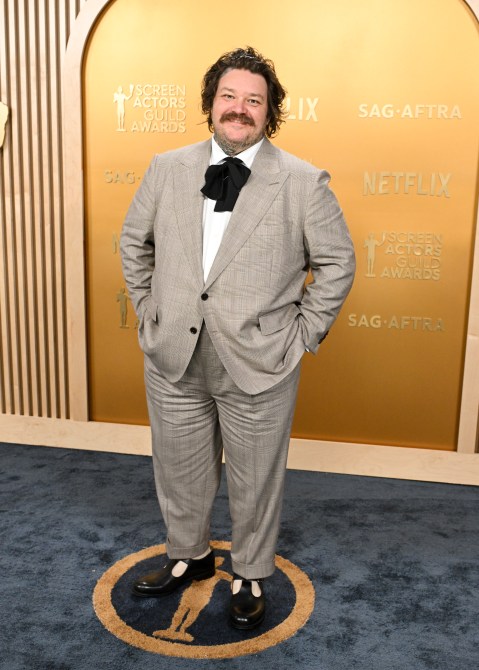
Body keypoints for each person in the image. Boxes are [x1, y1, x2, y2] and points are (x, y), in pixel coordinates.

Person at [120, 46, 355, 630]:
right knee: (179, 467)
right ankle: (189, 555)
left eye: (254, 100)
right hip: (174, 353)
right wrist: (149, 310)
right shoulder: (166, 167)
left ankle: (249, 572)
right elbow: (134, 244)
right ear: (211, 103)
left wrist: (300, 334)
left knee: (255, 478)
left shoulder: (302, 182)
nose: (239, 108)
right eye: (229, 96)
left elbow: (337, 263)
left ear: (269, 112)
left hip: (259, 358)